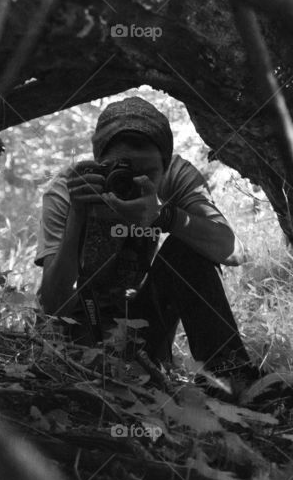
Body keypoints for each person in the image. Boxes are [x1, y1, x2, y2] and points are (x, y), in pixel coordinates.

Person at [34, 96, 255, 383]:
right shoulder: (72, 189)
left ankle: (233, 378)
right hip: (76, 329)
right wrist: (78, 214)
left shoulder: (177, 177)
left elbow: (232, 251)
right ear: (100, 164)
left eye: (148, 173)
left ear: (166, 166)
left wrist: (165, 216)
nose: (136, 182)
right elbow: (53, 305)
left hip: (139, 326)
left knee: (187, 251)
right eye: (121, 169)